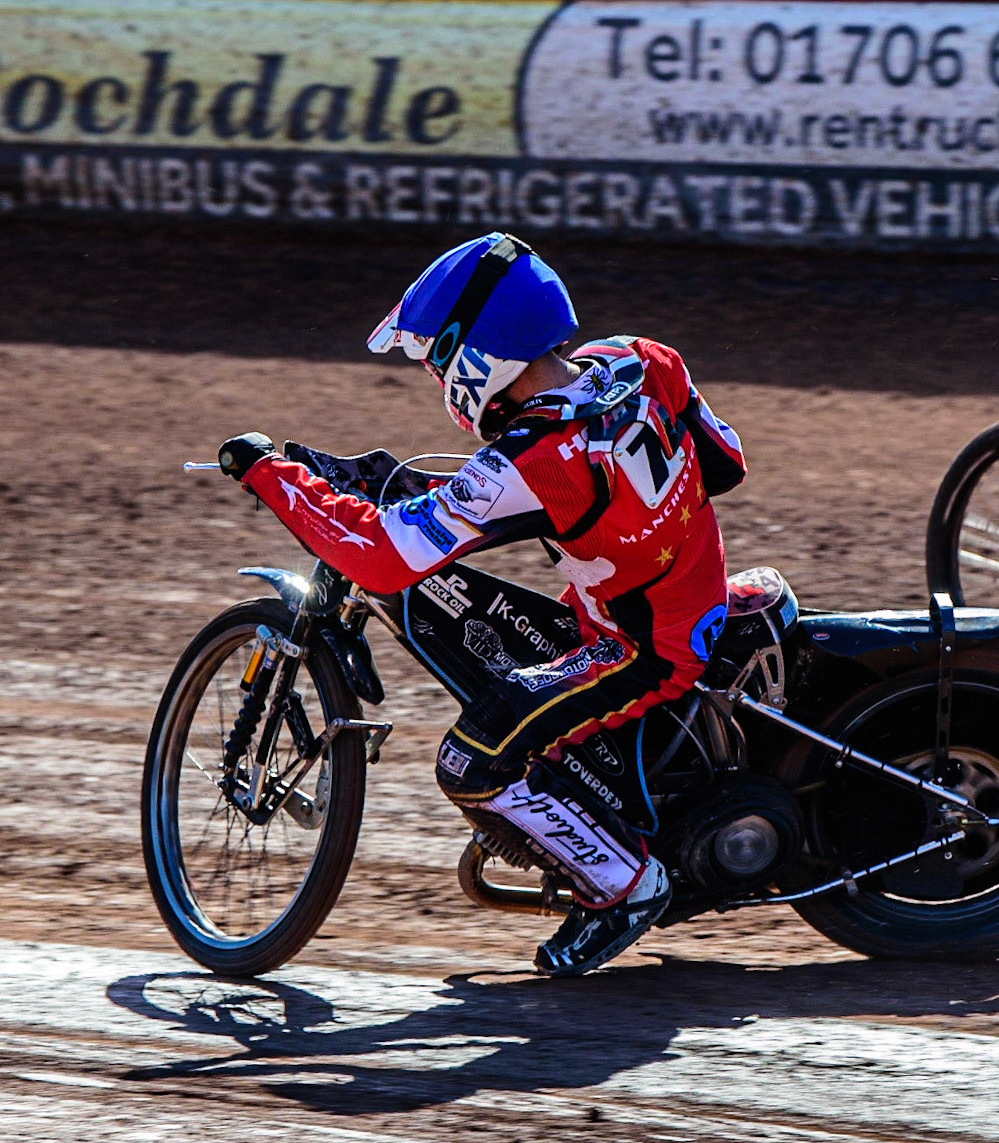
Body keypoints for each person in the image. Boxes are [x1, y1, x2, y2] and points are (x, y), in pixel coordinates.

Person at [215, 232, 746, 976]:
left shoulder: (533, 459)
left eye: (439, 357)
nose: (437, 375)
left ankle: (626, 886)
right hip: (692, 590)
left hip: (643, 647)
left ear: (478, 353)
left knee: (470, 761)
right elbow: (727, 462)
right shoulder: (640, 357)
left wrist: (271, 476)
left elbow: (381, 555)